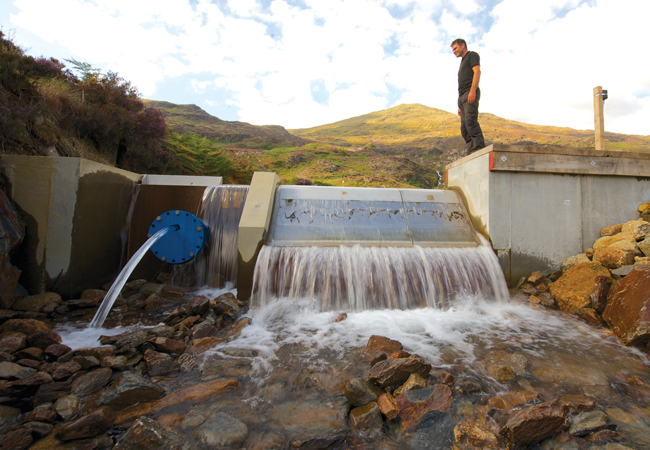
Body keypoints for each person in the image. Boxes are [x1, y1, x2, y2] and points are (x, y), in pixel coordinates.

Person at [451, 38, 485, 155]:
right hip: (462, 97)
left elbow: (477, 72)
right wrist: (460, 104)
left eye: (455, 48)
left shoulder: (472, 55)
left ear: (462, 45)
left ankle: (479, 149)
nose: (454, 51)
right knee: (464, 128)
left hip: (469, 93)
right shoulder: (462, 62)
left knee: (470, 121)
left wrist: (472, 91)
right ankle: (471, 151)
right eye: (453, 50)